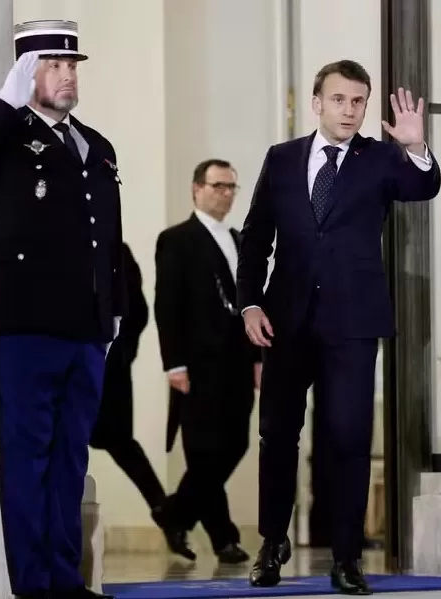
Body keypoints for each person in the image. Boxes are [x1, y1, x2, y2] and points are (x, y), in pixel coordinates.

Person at [238, 59, 441, 595]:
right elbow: (256, 238)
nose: (349, 110)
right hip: (285, 321)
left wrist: (417, 147)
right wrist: (249, 305)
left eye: (358, 102)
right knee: (278, 434)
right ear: (317, 102)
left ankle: (347, 557)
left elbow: (425, 188)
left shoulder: (379, 160)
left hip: (352, 322)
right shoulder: (281, 160)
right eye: (339, 100)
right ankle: (271, 542)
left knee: (348, 437)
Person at [0, 20, 124, 599]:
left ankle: (64, 580)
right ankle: (34, 585)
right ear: (26, 71)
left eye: (72, 65)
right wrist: (5, 100)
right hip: (24, 327)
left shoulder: (96, 145)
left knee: (70, 461)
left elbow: (106, 237)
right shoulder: (4, 137)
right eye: (53, 64)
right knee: (26, 462)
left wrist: (112, 309)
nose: (67, 74)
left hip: (85, 329)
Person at [153, 159, 259, 565]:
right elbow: (167, 306)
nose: (227, 194)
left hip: (237, 362)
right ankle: (223, 538)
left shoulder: (237, 237)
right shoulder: (176, 239)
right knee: (205, 451)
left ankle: (173, 513)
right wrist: (173, 363)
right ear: (197, 189)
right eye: (218, 186)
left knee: (234, 445)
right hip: (196, 365)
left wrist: (258, 357)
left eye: (232, 186)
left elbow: (249, 302)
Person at [89, 242, 168, 529]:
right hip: (93, 366)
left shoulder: (116, 252)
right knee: (118, 446)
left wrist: (121, 354)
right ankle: (166, 513)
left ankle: (166, 513)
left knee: (120, 444)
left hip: (109, 368)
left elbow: (138, 310)